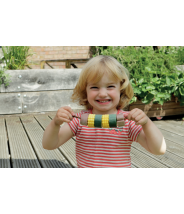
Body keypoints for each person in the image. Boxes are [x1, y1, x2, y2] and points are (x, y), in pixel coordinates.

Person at [42, 55, 166, 168]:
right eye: (94, 87)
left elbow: (158, 149)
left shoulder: (127, 121)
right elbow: (49, 145)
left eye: (110, 86)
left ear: (121, 89)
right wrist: (55, 123)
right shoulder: (79, 120)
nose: (102, 93)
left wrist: (146, 123)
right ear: (86, 91)